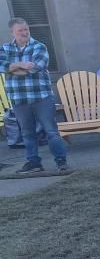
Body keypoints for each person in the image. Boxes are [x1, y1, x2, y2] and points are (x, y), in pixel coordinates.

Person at [0, 17, 68, 174]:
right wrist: (21, 64)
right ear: (12, 32)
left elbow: (35, 68)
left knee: (51, 131)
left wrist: (12, 68)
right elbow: (1, 66)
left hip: (41, 97)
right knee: (26, 133)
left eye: (26, 29)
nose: (24, 32)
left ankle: (61, 162)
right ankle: (34, 163)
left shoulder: (39, 46)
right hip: (19, 99)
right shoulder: (4, 49)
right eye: (20, 30)